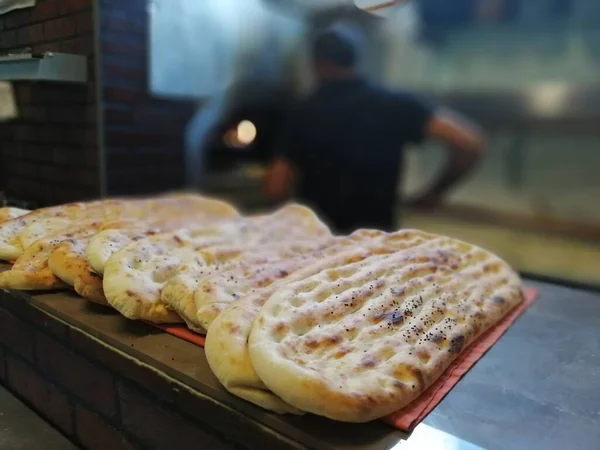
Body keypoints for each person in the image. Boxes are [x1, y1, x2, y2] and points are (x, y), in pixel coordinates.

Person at [264, 23, 485, 234]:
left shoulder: (302, 113)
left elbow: (276, 187)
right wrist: (435, 193)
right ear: (356, 59)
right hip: (376, 244)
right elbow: (469, 143)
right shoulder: (394, 104)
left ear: (317, 63)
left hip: (318, 243)